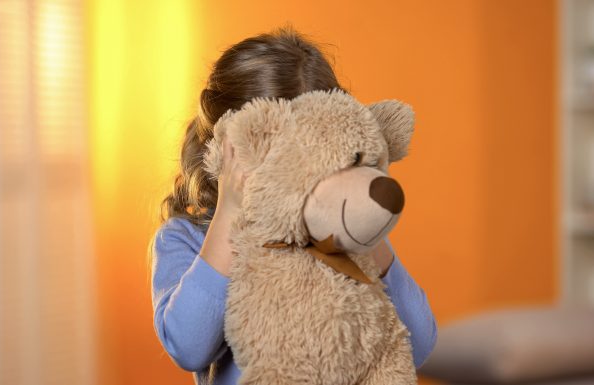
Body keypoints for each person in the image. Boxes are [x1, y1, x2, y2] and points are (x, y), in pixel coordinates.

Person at [151, 27, 437, 385]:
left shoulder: (339, 235)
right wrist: (229, 212)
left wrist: (361, 216)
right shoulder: (187, 237)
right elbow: (189, 347)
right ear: (226, 149)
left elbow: (420, 345)